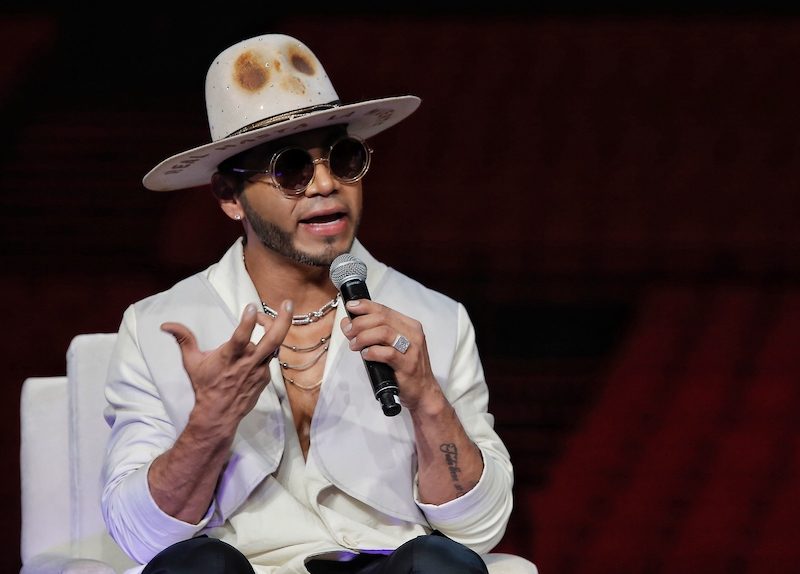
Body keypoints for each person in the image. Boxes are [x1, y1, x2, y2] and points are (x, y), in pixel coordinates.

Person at [101, 33, 516, 574]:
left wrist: (428, 400)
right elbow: (140, 538)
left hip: (384, 563)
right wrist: (210, 423)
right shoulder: (159, 326)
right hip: (242, 567)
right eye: (291, 168)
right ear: (229, 196)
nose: (325, 184)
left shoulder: (434, 318)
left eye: (343, 159)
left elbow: (479, 529)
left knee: (442, 563)